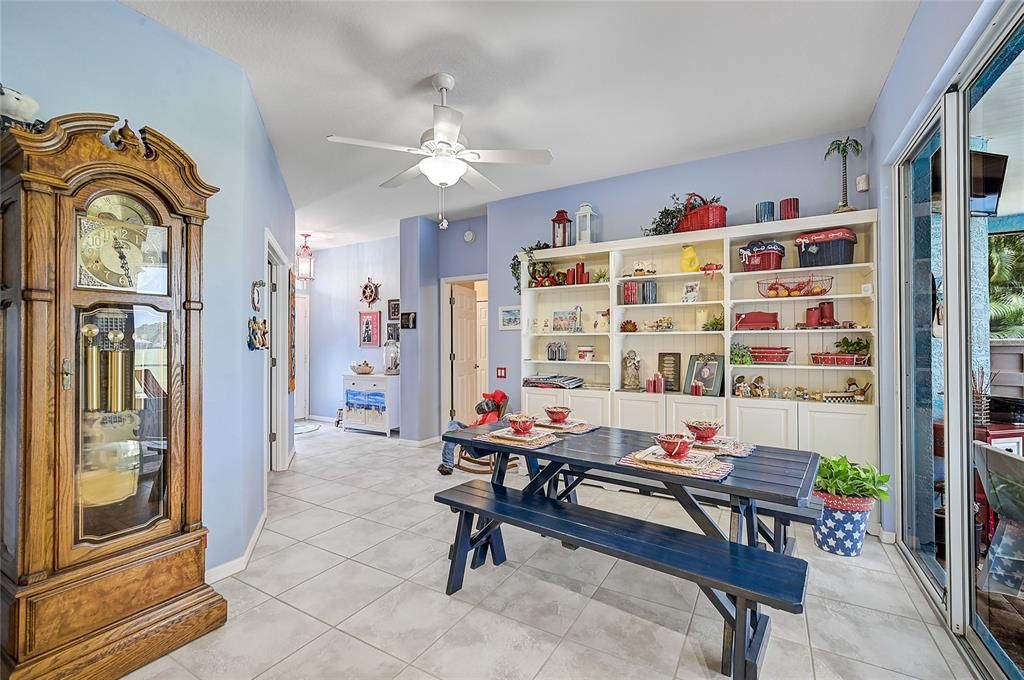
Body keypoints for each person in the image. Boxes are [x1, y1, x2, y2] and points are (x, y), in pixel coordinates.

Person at [438, 389, 507, 475]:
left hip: (472, 437)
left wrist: (471, 429)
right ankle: (452, 439)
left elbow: (483, 433)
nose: (484, 402)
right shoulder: (488, 413)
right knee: (453, 423)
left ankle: (447, 464)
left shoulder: (492, 417)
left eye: (488, 400)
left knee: (452, 435)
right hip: (471, 431)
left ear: (492, 404)